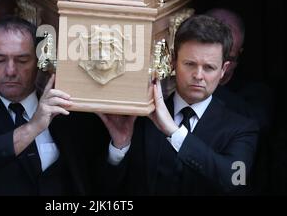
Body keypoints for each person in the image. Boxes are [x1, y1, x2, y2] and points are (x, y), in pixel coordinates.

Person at [99, 15, 259, 195]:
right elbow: (107, 192)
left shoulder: (243, 128)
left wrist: (174, 132)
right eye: (190, 64)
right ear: (173, 61)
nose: (198, 75)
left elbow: (236, 181)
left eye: (209, 68)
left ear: (223, 69)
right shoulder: (141, 116)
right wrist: (120, 145)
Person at [0, 17, 103, 195]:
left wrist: (120, 143)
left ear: (39, 63)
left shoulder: (66, 110)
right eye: (0, 60)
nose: (10, 71)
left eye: (22, 60)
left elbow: (98, 176)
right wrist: (33, 127)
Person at [205, 8, 274, 194]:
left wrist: (206, 84)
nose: (221, 66)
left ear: (239, 54)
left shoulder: (254, 91)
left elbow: (259, 122)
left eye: (229, 58)